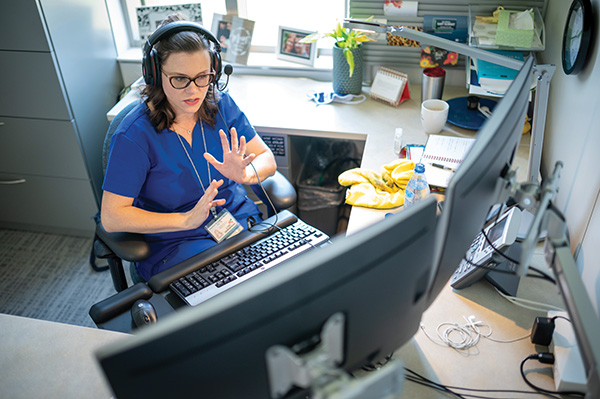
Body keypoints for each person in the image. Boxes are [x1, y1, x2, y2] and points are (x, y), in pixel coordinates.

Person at [101, 14, 277, 282]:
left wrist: (246, 175)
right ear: (155, 75)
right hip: (177, 245)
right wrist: (185, 220)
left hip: (236, 226)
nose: (194, 90)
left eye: (203, 77)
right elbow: (112, 217)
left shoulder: (221, 104)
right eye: (180, 79)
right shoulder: (134, 135)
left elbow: (267, 159)